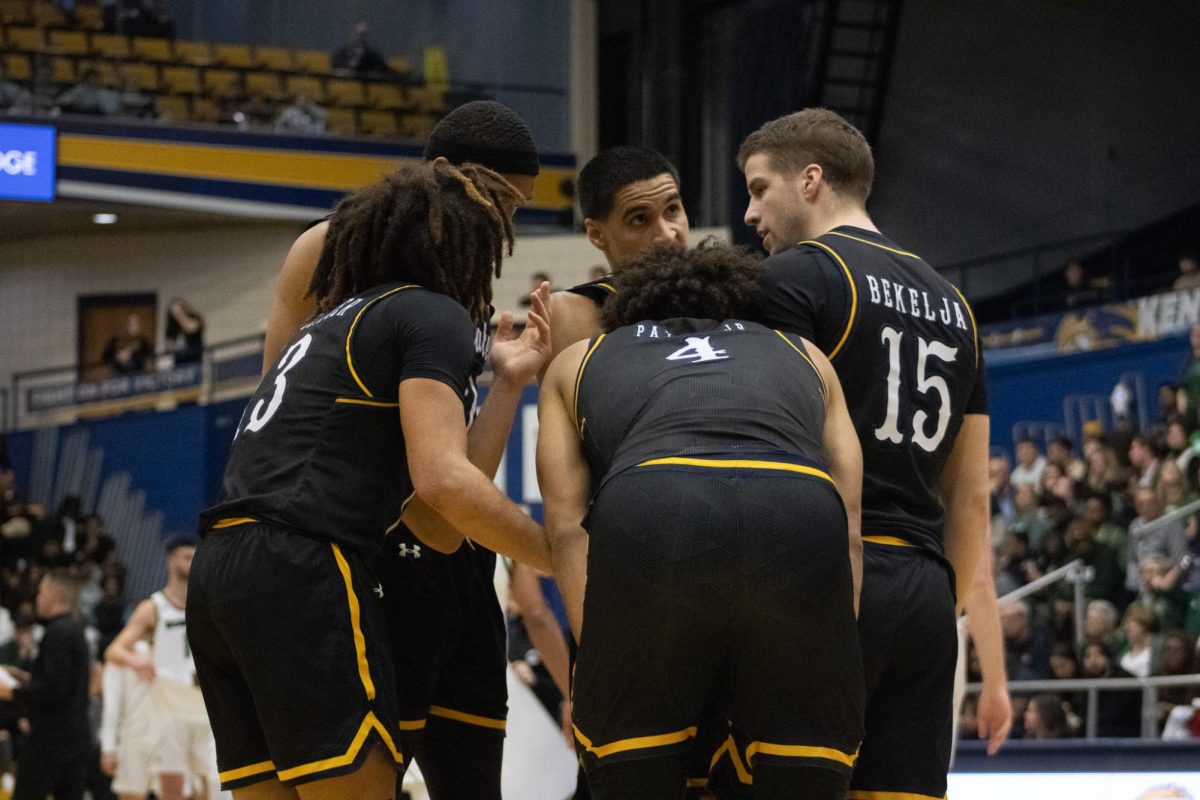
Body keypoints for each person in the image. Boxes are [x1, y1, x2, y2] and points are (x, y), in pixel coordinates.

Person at [188, 161, 551, 799]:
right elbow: (442, 485)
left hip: (220, 570)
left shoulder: (333, 323)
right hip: (301, 561)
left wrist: (504, 386)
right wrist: (561, 552)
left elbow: (436, 528)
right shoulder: (429, 313)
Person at [539, 242, 865, 799]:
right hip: (798, 505)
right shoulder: (804, 351)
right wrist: (830, 648)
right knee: (801, 774)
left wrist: (602, 660)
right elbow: (850, 518)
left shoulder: (580, 357)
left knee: (634, 770)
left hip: (652, 501)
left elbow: (568, 528)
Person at [739, 108, 992, 800]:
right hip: (925, 595)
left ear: (810, 180)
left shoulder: (794, 278)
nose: (749, 211)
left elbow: (768, 454)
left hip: (826, 575)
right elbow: (970, 498)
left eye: (760, 189)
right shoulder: (956, 306)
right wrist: (945, 609)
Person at [546, 146, 689, 364]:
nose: (667, 235)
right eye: (640, 219)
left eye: (672, 210)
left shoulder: (729, 299)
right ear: (596, 234)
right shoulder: (571, 313)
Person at [105, 538, 214, 800]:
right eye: (187, 557)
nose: (192, 563)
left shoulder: (208, 606)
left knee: (211, 780)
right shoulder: (153, 607)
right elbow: (114, 651)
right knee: (172, 782)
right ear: (171, 561)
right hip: (169, 703)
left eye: (195, 557)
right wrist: (137, 661)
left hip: (205, 702)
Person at [0, 570, 92, 800]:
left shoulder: (57, 631)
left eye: (41, 591)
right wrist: (26, 677)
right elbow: (65, 683)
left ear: (52, 593)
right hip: (77, 735)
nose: (37, 597)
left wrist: (11, 691)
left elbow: (54, 690)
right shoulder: (76, 628)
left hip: (51, 737)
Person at [99, 640, 157, 800]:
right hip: (138, 736)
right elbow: (111, 706)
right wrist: (108, 748)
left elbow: (111, 706)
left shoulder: (117, 654)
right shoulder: (118, 654)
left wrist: (108, 748)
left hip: (148, 736)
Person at [165, 299, 204, 367]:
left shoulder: (195, 318)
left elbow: (191, 328)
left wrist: (179, 315)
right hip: (179, 362)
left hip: (193, 361)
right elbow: (168, 344)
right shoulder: (173, 327)